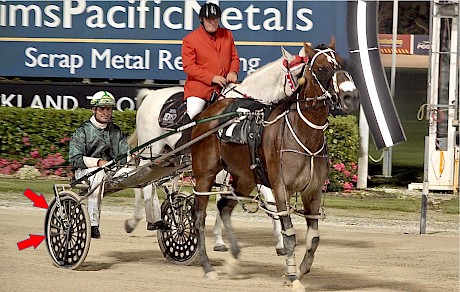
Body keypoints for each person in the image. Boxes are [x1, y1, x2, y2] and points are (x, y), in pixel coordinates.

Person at [69, 90, 169, 239]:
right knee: (98, 173)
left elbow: (123, 155)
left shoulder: (115, 131)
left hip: (111, 172)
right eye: (102, 109)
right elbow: (75, 158)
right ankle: (93, 224)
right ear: (94, 110)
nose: (105, 113)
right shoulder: (82, 131)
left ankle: (154, 219)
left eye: (108, 109)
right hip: (85, 173)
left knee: (145, 174)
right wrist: (98, 162)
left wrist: (131, 156)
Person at [181, 2, 240, 120]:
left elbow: (234, 58)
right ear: (202, 19)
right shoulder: (190, 39)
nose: (212, 22)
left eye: (215, 19)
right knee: (193, 114)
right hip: (200, 89)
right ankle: (187, 138)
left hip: (224, 87)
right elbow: (189, 67)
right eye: (209, 19)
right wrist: (212, 78)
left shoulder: (227, 34)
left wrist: (233, 72)